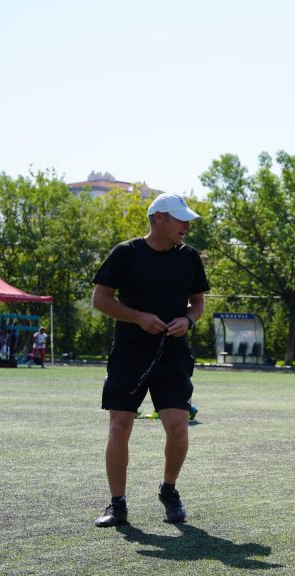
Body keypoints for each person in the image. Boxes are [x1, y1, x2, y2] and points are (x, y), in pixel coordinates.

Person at [91, 193, 209, 528]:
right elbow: (100, 299)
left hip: (172, 356)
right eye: (180, 219)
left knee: (178, 427)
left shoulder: (190, 258)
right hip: (130, 355)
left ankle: (169, 490)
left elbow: (197, 303)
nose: (186, 226)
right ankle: (117, 504)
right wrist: (138, 317)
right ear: (159, 218)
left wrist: (188, 321)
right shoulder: (125, 253)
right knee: (119, 427)